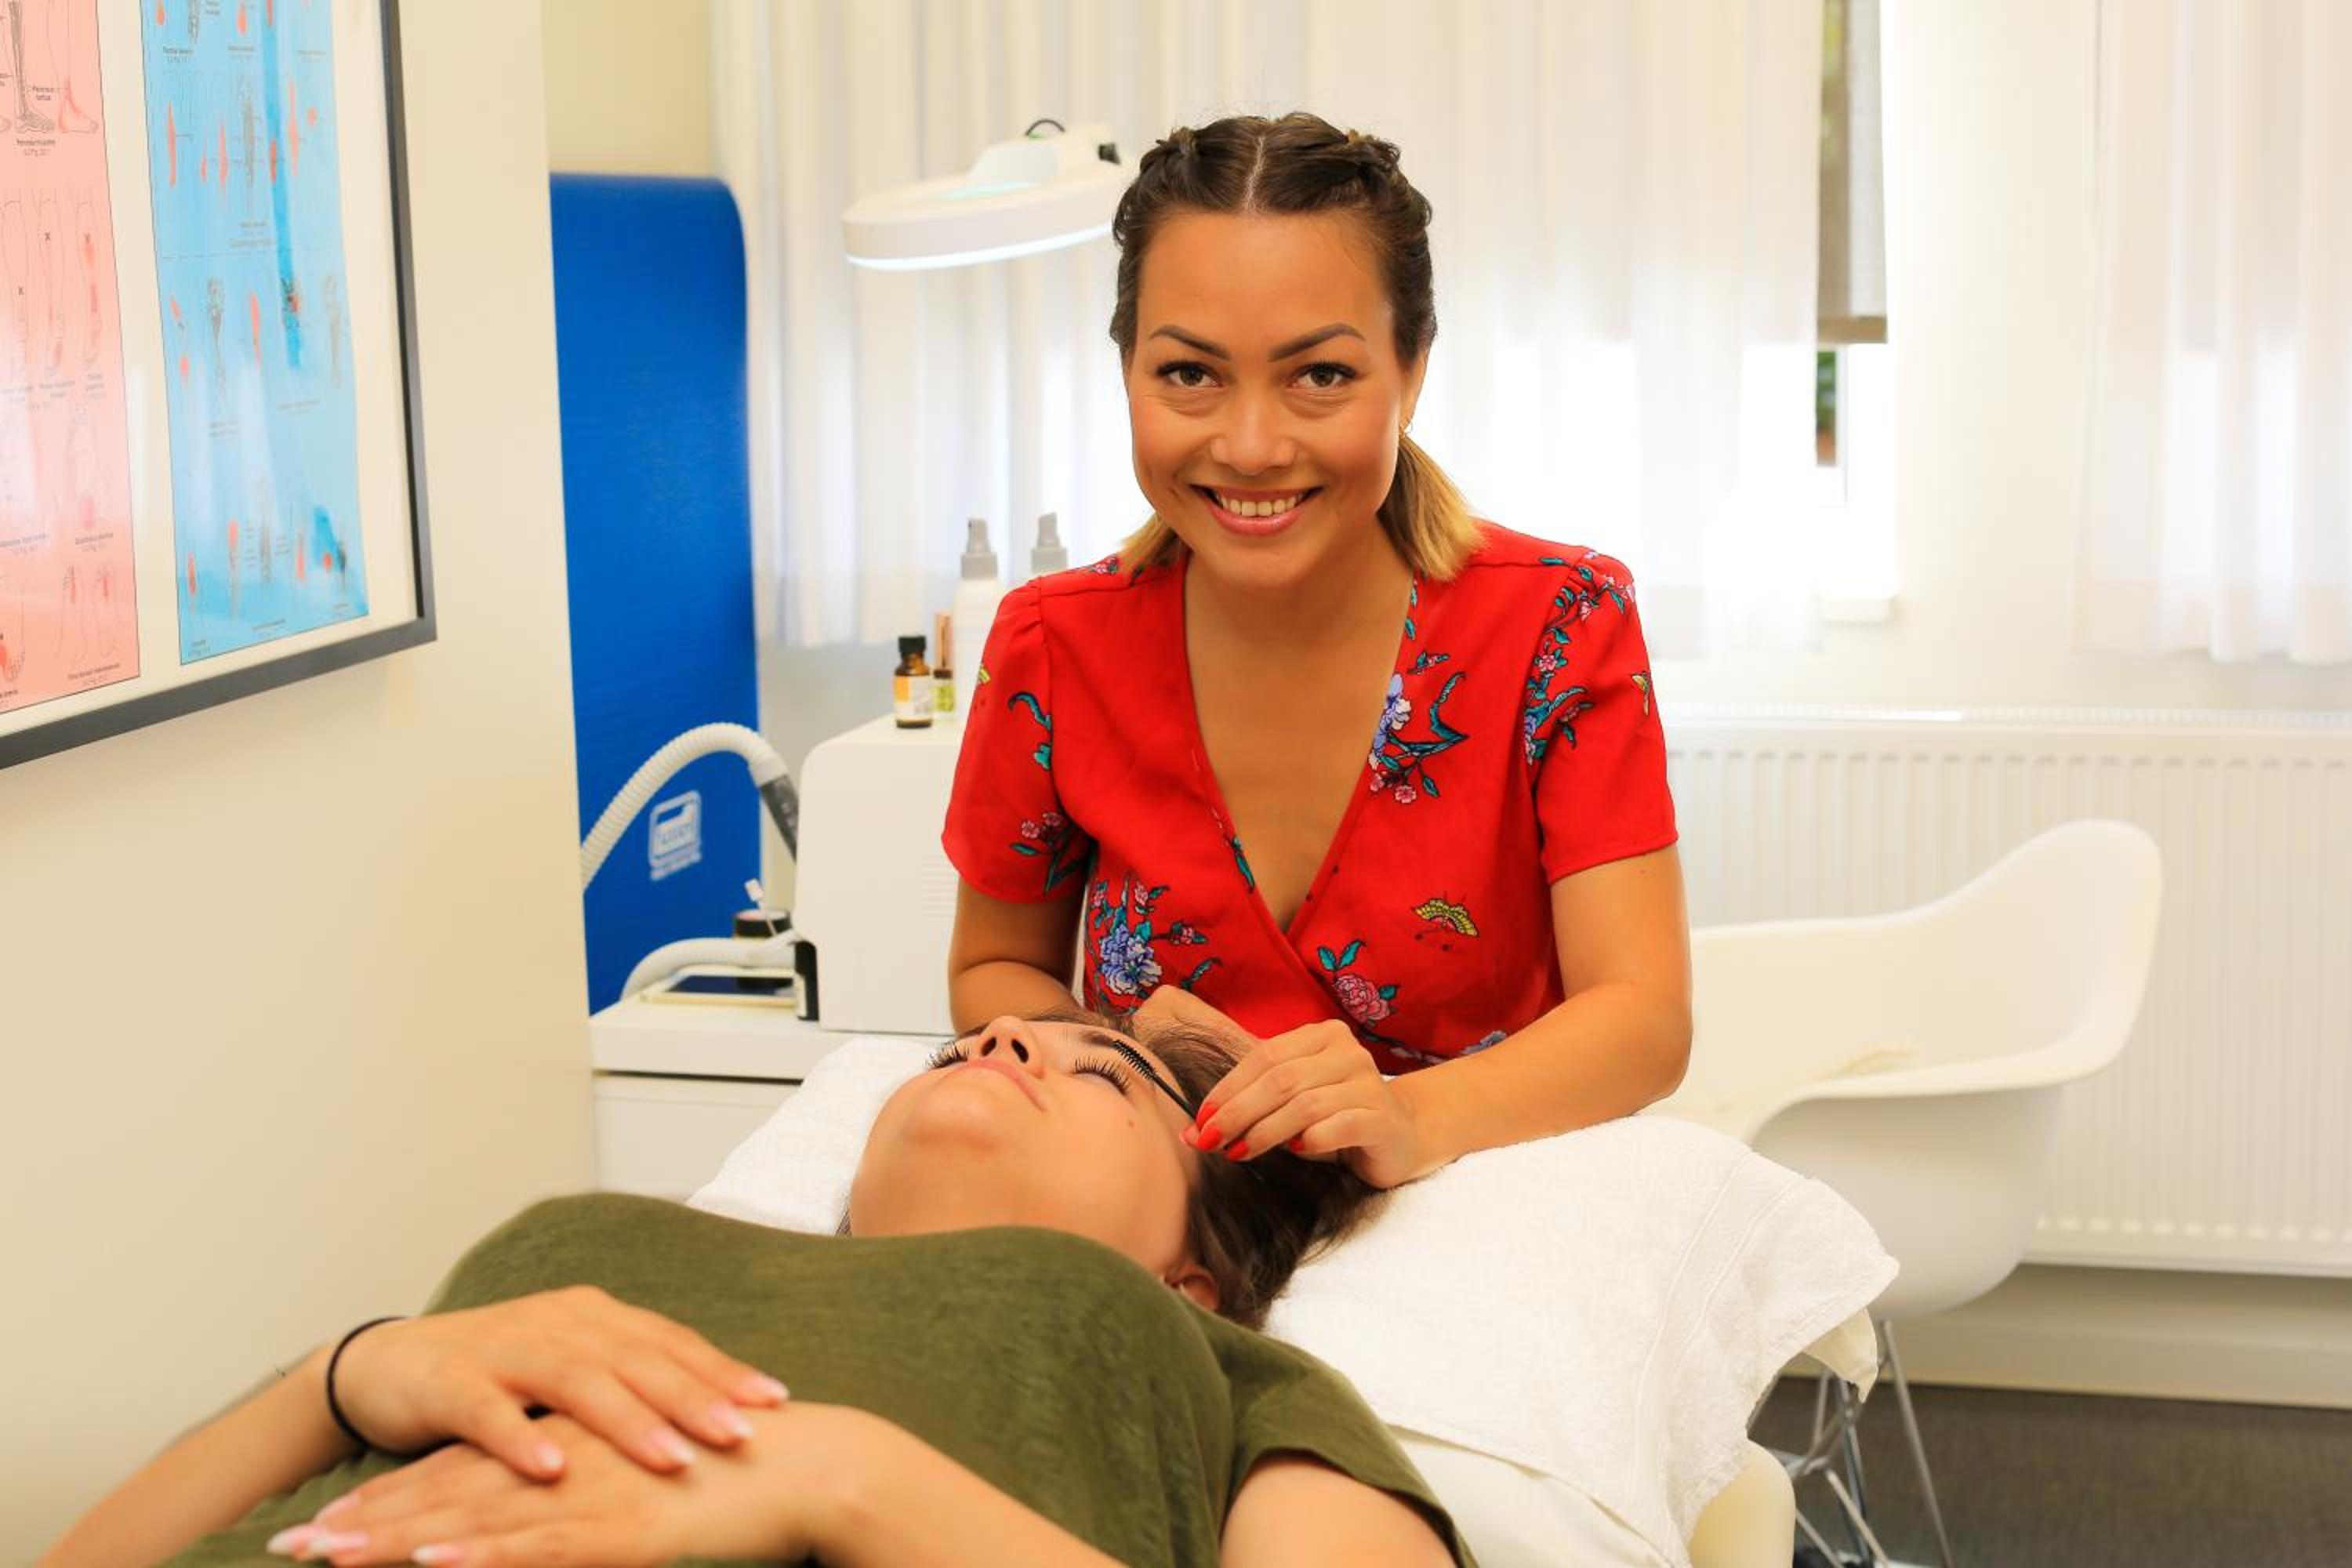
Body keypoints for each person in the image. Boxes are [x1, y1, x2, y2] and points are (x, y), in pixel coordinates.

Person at [945, 111, 1693, 1191]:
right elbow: (994, 965)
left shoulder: (1560, 623)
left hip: (1478, 1206)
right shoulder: (1052, 645)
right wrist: (1139, 1065)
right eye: (1188, 373)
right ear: (1126, 372)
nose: (1252, 446)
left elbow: (1644, 1021)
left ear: (1412, 370)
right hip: (1188, 1205)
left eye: (1322, 376)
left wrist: (1407, 1117)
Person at [42, 1013, 1469, 1568]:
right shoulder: (613, 1248)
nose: (1004, 1042)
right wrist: (346, 1372)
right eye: (966, 1046)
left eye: (1103, 1074)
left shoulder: (1221, 1370)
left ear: (1194, 1278)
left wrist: (843, 1483)